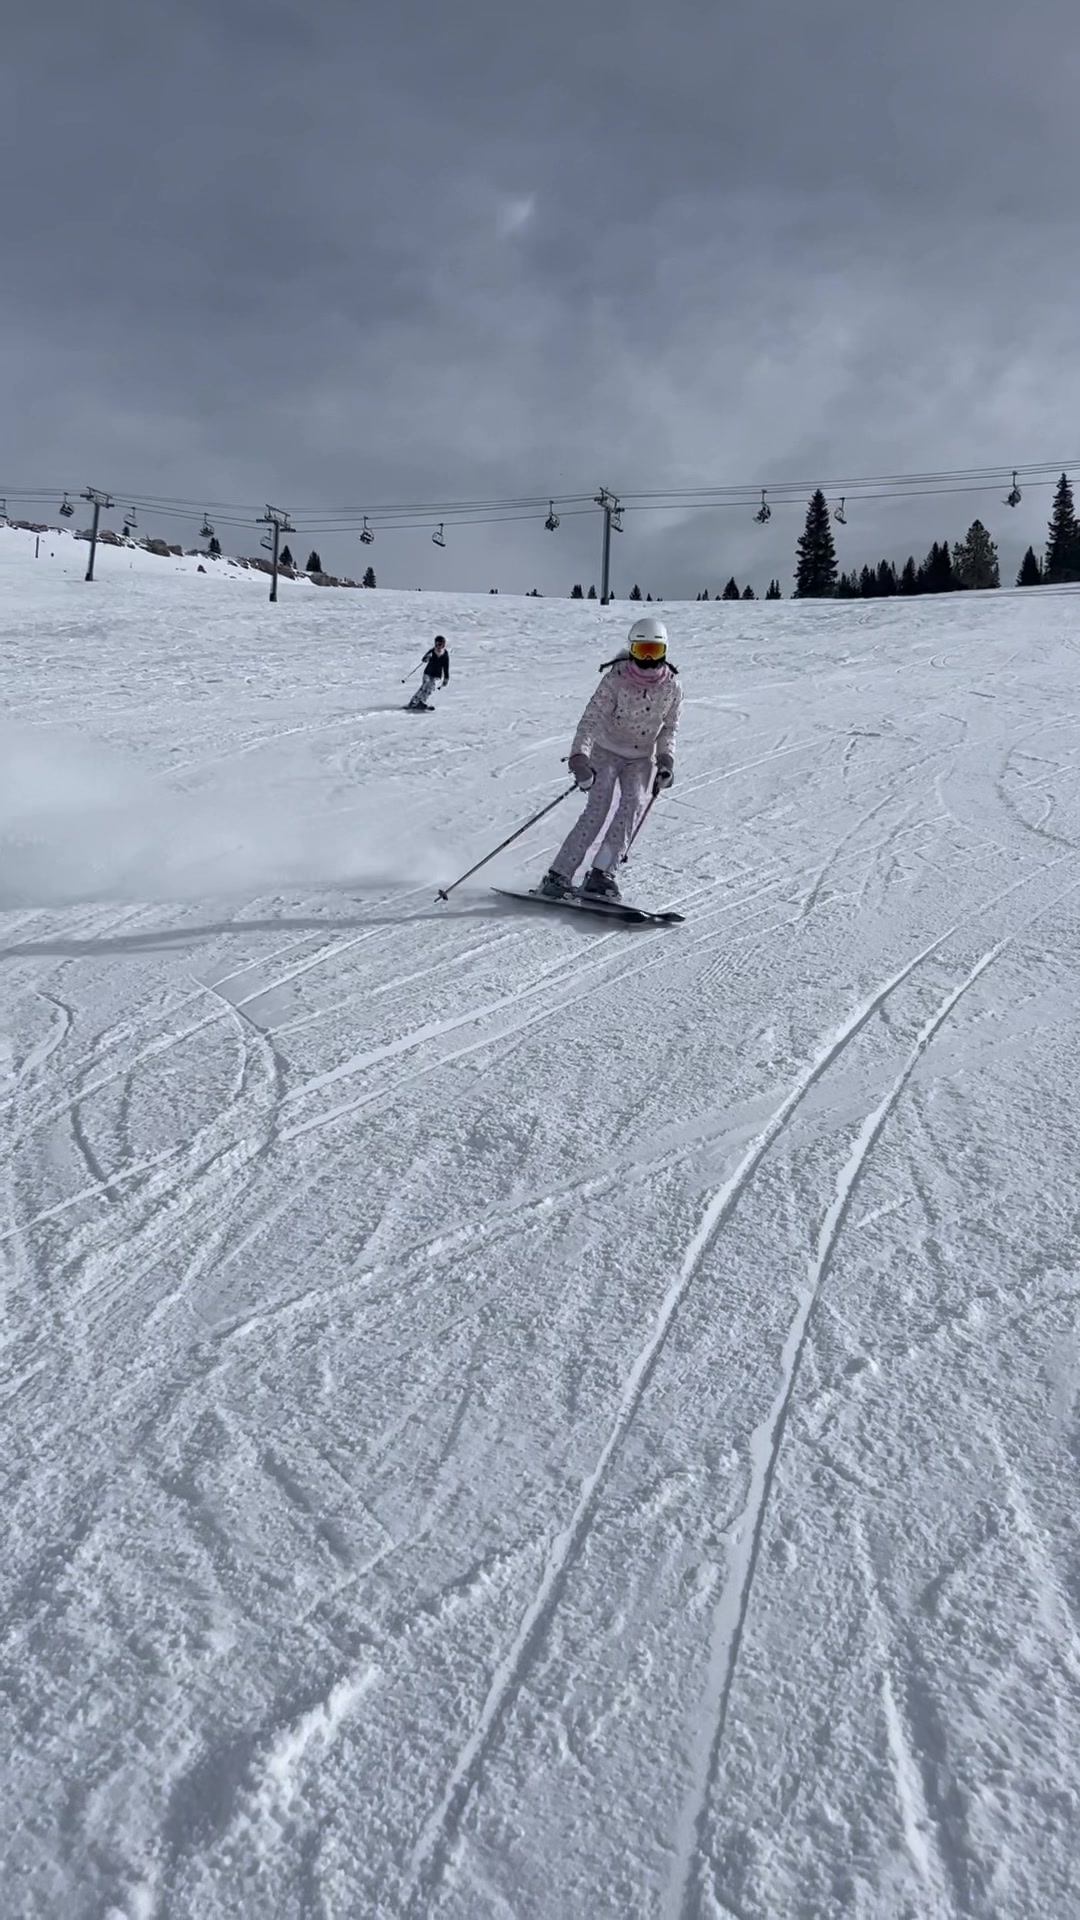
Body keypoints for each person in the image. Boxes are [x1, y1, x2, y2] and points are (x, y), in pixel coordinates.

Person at [540, 615, 682, 901]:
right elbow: (591, 719)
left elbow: (669, 728)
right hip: (606, 751)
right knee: (598, 809)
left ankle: (601, 874)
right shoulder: (615, 680)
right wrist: (579, 757)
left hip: (640, 759)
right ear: (632, 649)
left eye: (654, 651)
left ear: (664, 651)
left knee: (632, 807)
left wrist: (666, 760)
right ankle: (558, 875)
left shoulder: (672, 688)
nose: (648, 659)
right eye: (642, 650)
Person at [407, 635, 450, 710]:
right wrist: (427, 658)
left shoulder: (445, 654)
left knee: (431, 687)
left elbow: (446, 667)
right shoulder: (432, 651)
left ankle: (422, 701)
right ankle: (414, 701)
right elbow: (424, 659)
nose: (439, 646)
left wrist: (446, 678)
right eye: (437, 644)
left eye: (441, 644)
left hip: (437, 674)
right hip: (428, 672)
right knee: (425, 685)